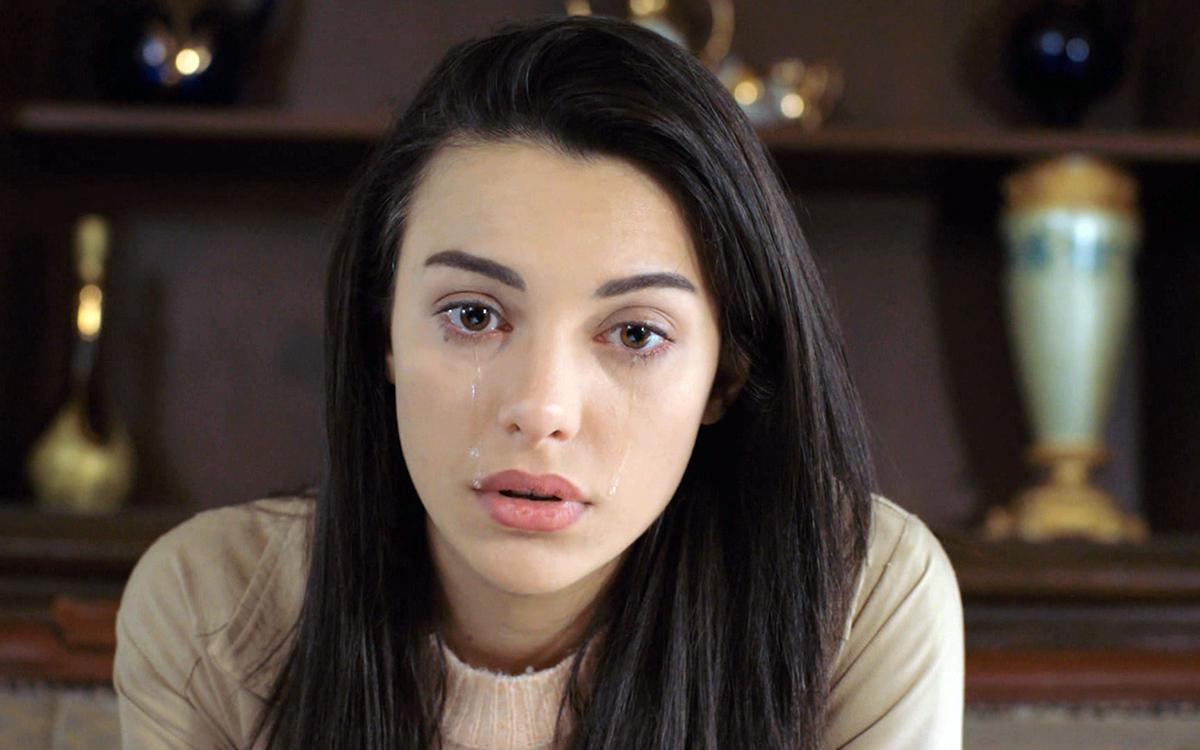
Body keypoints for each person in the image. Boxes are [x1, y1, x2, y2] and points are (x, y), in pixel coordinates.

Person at [112, 13, 963, 750]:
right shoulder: (214, 611)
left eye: (635, 334)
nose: (541, 409)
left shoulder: (856, 601)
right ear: (383, 333)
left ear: (725, 376)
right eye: (474, 315)